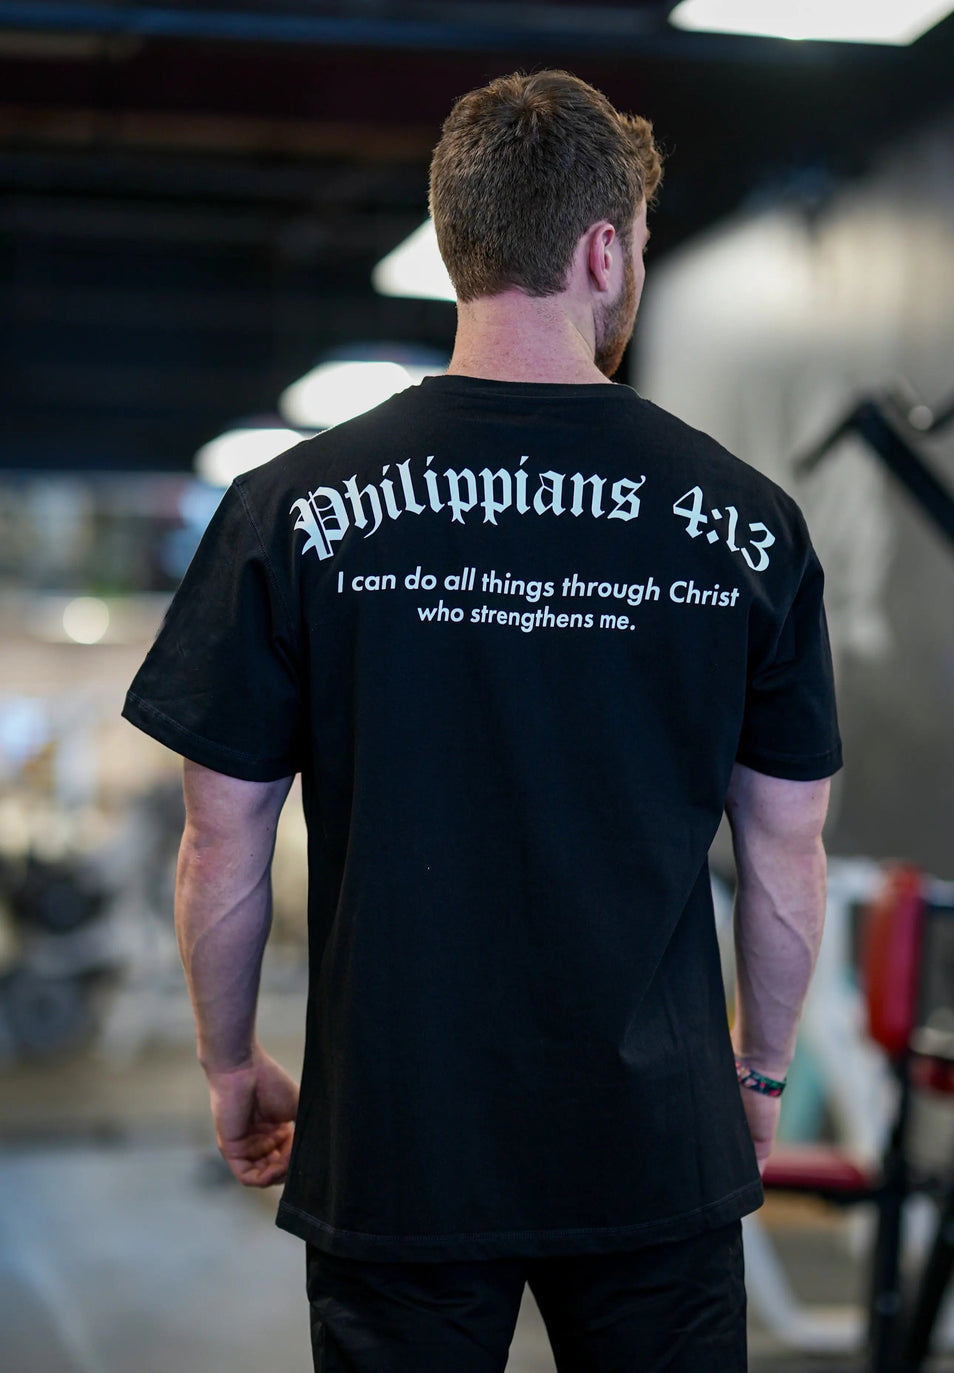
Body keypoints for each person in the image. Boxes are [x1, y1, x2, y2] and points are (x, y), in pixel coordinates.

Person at [123, 69, 841, 1373]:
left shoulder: (292, 512)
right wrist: (758, 1075)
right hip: (655, 1139)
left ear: (458, 241)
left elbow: (221, 840)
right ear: (604, 251)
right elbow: (787, 847)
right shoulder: (748, 524)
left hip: (399, 1140)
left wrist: (230, 1063)